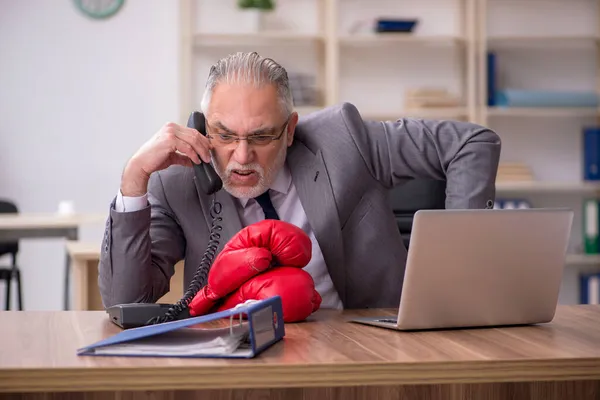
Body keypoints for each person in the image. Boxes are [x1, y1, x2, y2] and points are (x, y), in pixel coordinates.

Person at [98, 51, 501, 311]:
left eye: (261, 137)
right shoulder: (176, 181)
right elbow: (127, 302)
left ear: (290, 130)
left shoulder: (345, 139)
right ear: (202, 127)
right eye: (224, 135)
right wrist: (134, 180)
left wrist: (458, 265)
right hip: (241, 367)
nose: (241, 157)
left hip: (370, 351)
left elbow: (472, 142)